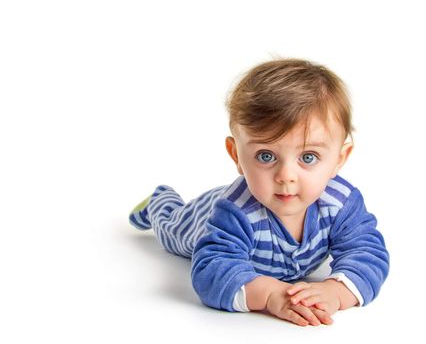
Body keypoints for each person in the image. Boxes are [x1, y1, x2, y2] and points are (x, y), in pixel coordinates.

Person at [129, 58, 389, 327]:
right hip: (200, 216)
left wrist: (336, 291)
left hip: (253, 194)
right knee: (172, 228)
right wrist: (269, 294)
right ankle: (159, 202)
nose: (285, 176)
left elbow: (368, 254)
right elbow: (211, 271)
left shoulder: (341, 204)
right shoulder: (233, 213)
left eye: (308, 157)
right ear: (236, 155)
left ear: (339, 158)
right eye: (266, 156)